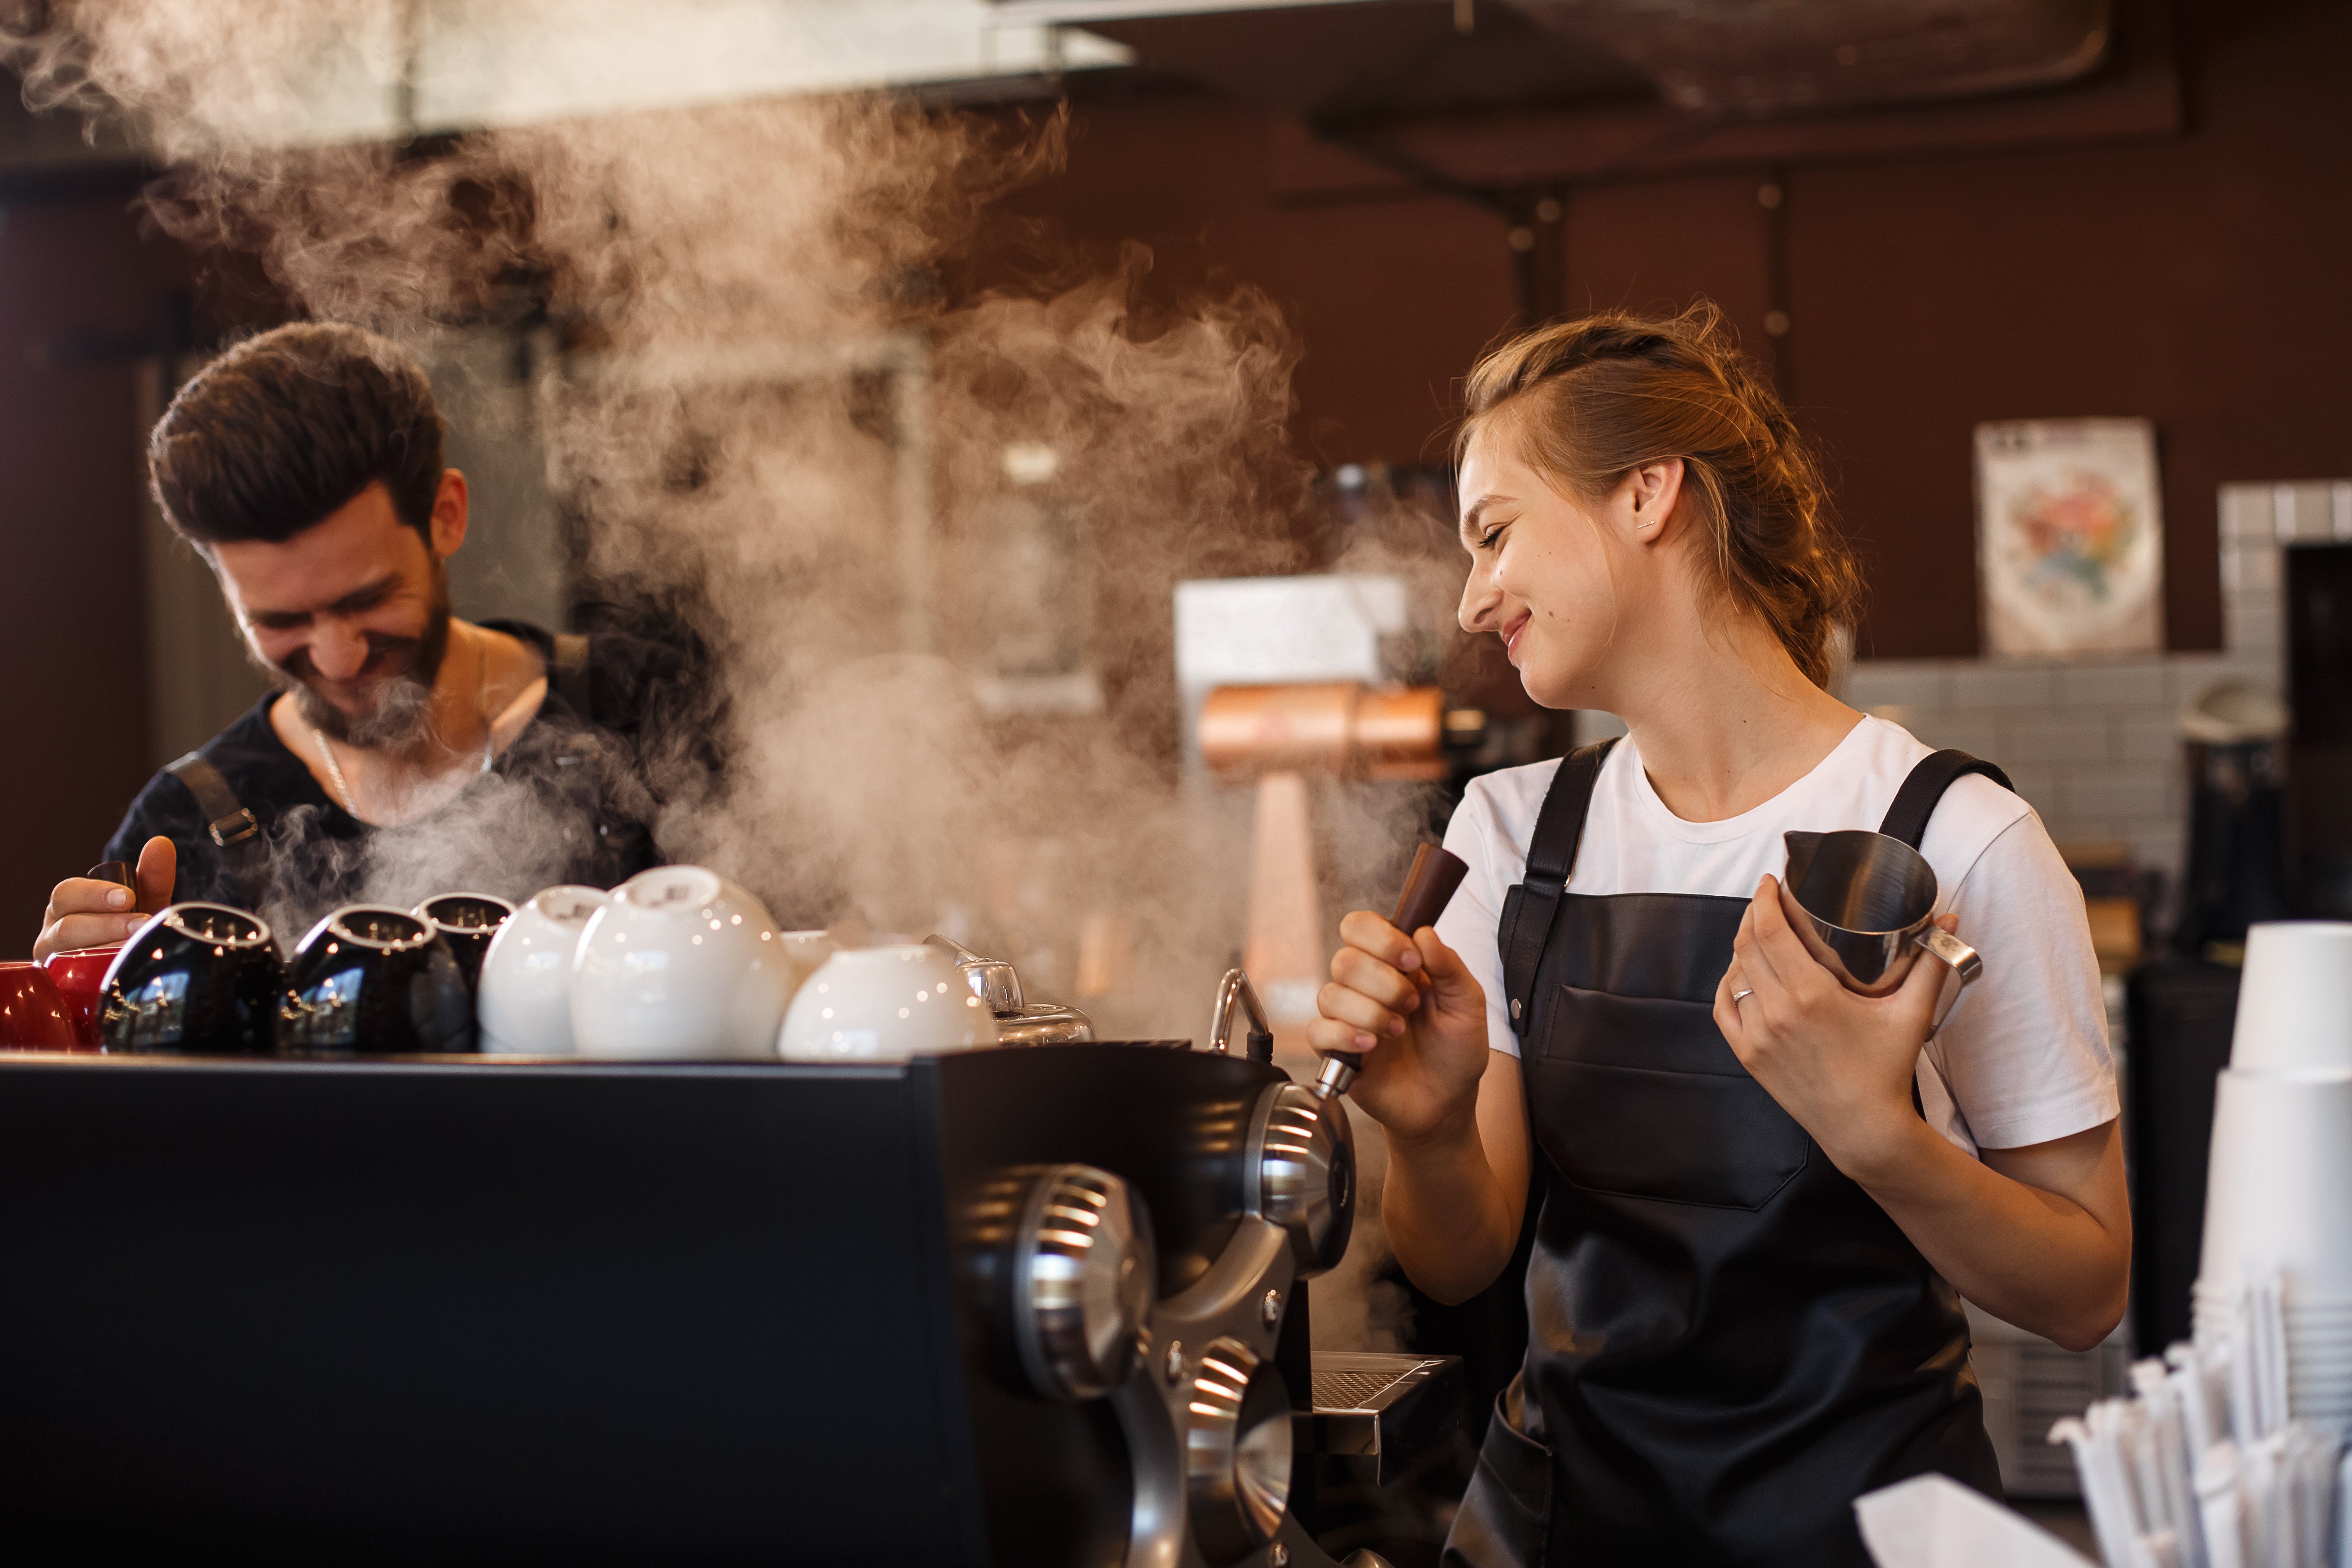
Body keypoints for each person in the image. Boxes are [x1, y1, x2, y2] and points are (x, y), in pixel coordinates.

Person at [1311, 306, 2128, 1567]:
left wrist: (1873, 1133)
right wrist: (1422, 1130)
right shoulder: (1513, 831)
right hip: (1561, 1527)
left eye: (1494, 534)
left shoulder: (1955, 835)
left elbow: (2084, 1291)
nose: (1474, 603)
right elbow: (1463, 1258)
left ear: (1646, 495)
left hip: (1864, 1533)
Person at [33, 322, 688, 961]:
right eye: (281, 621)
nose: (337, 657)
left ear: (445, 516)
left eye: (368, 600)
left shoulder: (652, 711)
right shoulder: (185, 828)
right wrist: (77, 1006)